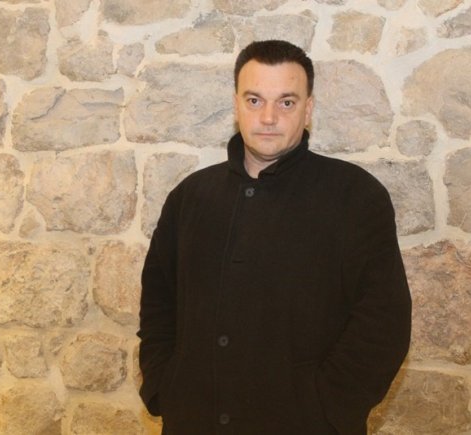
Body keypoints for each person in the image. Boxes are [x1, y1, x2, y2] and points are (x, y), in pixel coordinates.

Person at [137, 39, 412, 435]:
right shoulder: (190, 196)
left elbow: (384, 322)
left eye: (286, 102)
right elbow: (158, 300)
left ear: (308, 109)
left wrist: (329, 408)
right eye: (254, 100)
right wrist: (164, 385)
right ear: (236, 105)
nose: (268, 117)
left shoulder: (355, 196)